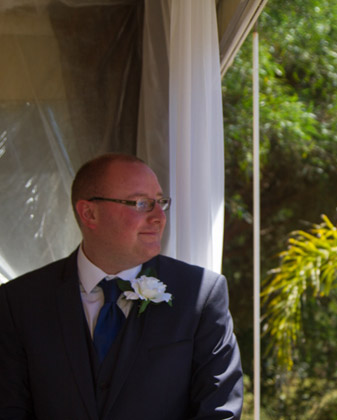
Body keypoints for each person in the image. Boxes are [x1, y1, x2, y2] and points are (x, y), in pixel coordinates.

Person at [0, 154, 243, 419]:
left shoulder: (200, 295)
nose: (159, 217)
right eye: (141, 203)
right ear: (89, 213)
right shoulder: (19, 302)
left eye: (160, 202)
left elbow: (220, 411)